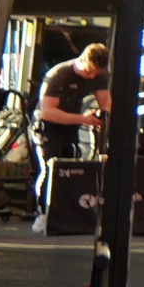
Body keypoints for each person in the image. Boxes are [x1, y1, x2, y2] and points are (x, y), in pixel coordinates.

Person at [32, 43, 111, 230]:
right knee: (50, 168)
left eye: (96, 73)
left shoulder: (100, 75)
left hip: (70, 126)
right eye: (89, 71)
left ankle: (66, 212)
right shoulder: (59, 75)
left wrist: (104, 118)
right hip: (47, 126)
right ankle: (43, 213)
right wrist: (83, 119)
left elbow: (107, 104)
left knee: (71, 169)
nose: (91, 77)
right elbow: (47, 112)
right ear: (81, 61)